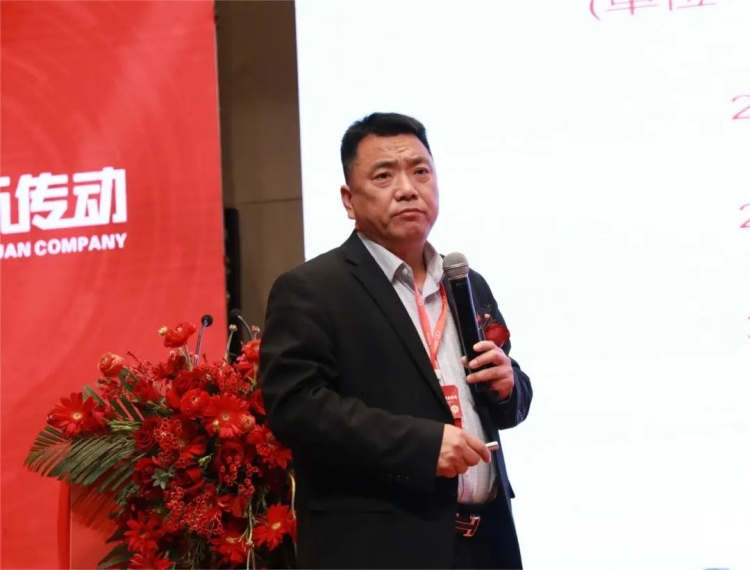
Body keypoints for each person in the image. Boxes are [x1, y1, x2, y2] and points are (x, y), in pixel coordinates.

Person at [259, 112, 532, 569]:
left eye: (420, 171)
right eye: (384, 176)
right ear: (349, 200)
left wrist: (508, 386)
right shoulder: (312, 289)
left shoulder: (466, 282)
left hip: (484, 546)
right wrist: (421, 446)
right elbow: (296, 408)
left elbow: (510, 401)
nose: (407, 188)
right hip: (380, 550)